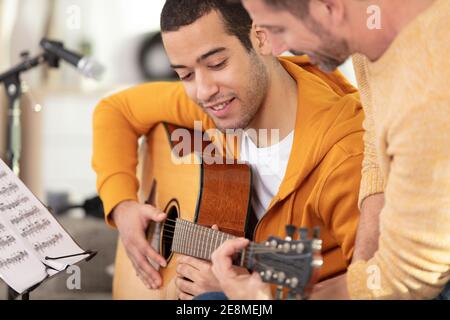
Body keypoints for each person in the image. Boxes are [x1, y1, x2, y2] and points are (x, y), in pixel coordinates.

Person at [92, 0, 367, 300]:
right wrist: (122, 207)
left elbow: (380, 284)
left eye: (217, 64)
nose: (203, 91)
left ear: (262, 38)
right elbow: (114, 109)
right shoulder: (216, 107)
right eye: (185, 75)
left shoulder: (346, 155)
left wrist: (250, 295)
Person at [212, 0, 450, 300]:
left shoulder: (427, 93)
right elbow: (377, 144)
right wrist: (361, 265)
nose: (276, 49)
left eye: (280, 30)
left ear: (328, 7)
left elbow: (408, 278)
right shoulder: (371, 35)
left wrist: (261, 302)